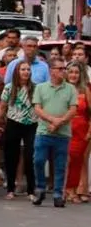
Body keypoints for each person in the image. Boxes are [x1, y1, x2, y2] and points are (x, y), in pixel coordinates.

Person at [31, 57, 78, 207]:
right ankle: (40, 188)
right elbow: (37, 108)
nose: (64, 72)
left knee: (60, 165)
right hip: (44, 131)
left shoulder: (70, 88)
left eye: (64, 69)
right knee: (38, 160)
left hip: (62, 134)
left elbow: (73, 109)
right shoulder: (41, 87)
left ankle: (58, 193)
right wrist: (52, 120)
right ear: (51, 71)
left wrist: (59, 122)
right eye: (61, 69)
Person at [0, 60, 37, 201]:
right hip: (13, 123)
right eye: (23, 69)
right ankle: (11, 188)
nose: (26, 72)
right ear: (17, 72)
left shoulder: (35, 88)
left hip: (31, 124)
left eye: (28, 70)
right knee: (11, 156)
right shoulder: (9, 88)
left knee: (30, 156)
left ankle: (31, 189)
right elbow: (2, 107)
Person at [64, 61, 91, 203]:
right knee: (66, 159)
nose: (73, 75)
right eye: (71, 72)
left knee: (78, 160)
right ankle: (67, 189)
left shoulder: (85, 89)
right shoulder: (62, 89)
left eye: (76, 72)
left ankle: (74, 189)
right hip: (65, 128)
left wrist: (90, 130)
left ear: (80, 75)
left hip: (82, 129)